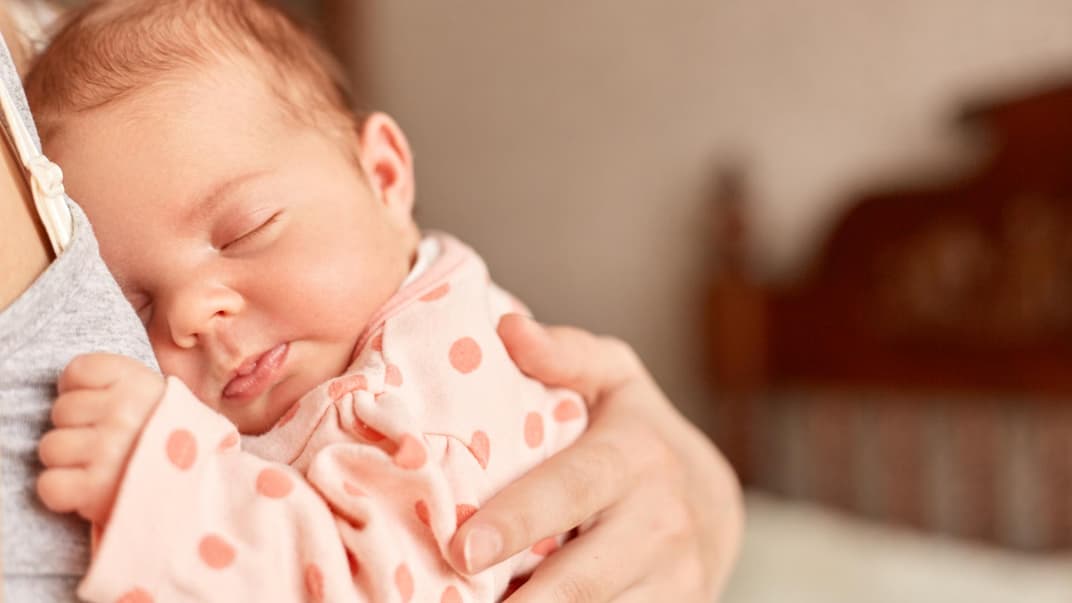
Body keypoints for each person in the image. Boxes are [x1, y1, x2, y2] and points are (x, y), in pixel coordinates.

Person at [0, 3, 742, 602]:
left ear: (384, 176)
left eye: (245, 232)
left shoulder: (423, 390)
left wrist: (172, 479)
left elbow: (383, 581)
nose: (189, 315)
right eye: (135, 305)